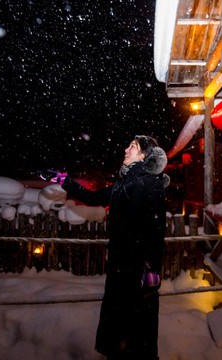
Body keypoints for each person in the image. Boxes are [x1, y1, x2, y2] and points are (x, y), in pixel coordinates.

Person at [60, 135, 169, 359]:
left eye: (133, 146)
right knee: (118, 323)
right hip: (119, 266)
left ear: (144, 155)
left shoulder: (151, 183)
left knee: (139, 327)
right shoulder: (122, 183)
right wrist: (64, 181)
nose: (126, 149)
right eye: (128, 145)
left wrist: (151, 266)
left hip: (139, 268)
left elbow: (156, 229)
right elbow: (92, 198)